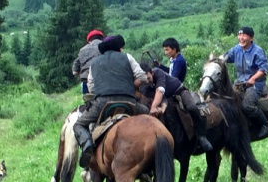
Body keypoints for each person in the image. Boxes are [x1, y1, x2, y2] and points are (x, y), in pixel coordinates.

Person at [73, 35, 150, 168]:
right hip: (129, 102)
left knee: (79, 124)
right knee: (148, 114)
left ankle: (88, 145)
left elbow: (91, 87)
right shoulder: (127, 57)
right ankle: (154, 146)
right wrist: (131, 86)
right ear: (118, 49)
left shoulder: (95, 62)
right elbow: (142, 77)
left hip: (103, 104)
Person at [141, 63, 212, 152]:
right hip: (166, 97)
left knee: (191, 107)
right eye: (145, 80)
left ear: (151, 72)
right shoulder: (144, 84)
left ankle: (201, 136)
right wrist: (162, 108)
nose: (147, 81)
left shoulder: (158, 73)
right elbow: (162, 98)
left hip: (179, 91)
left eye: (148, 78)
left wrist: (153, 107)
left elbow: (160, 91)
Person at [225, 26, 268, 140]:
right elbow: (226, 57)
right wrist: (216, 60)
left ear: (251, 38)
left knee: (247, 105)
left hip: (255, 84)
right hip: (239, 83)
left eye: (244, 35)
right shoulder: (236, 49)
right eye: (239, 35)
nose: (241, 38)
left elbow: (264, 69)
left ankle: (265, 125)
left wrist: (253, 78)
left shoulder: (257, 51)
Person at [72, 29, 104, 96]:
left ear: (89, 41)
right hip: (103, 81)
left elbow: (75, 71)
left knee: (88, 102)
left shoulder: (82, 50)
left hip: (86, 81)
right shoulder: (106, 47)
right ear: (102, 39)